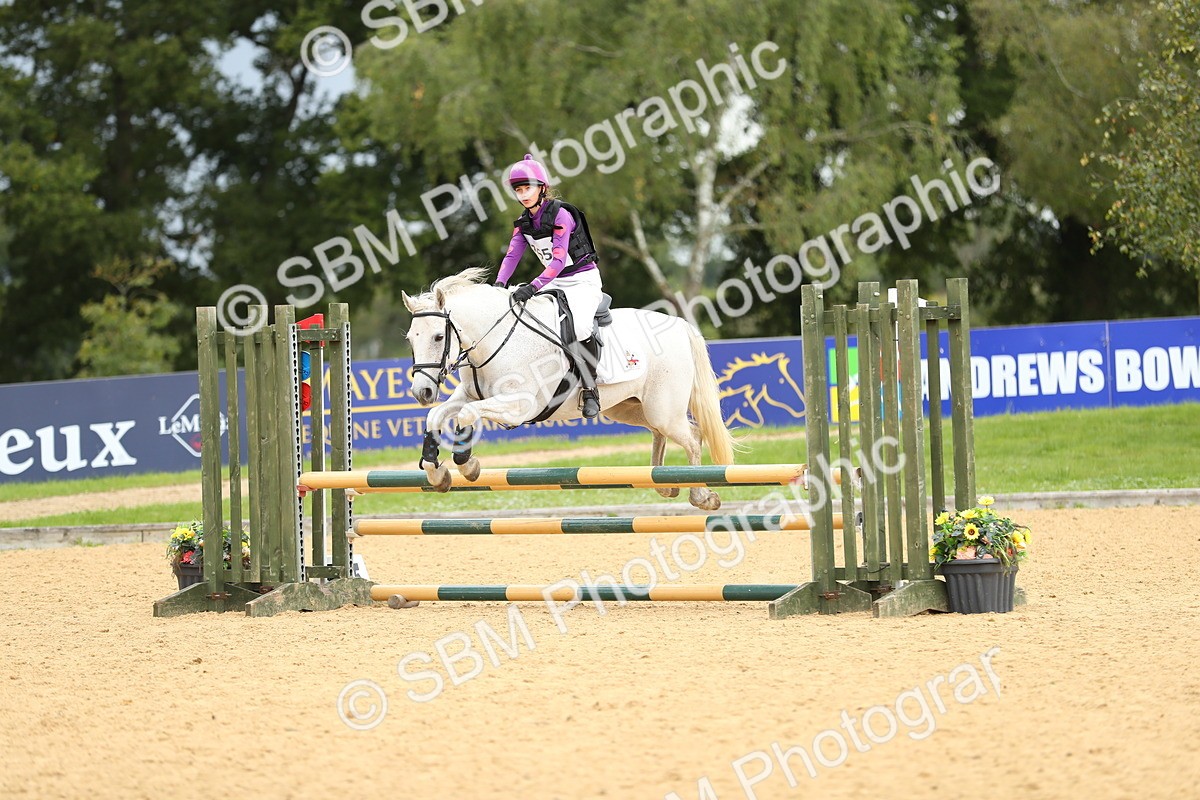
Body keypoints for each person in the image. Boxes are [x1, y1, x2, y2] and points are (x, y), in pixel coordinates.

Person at [495, 153, 603, 419]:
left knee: (579, 327)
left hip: (582, 280)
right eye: (518, 189)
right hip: (553, 281)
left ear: (541, 188)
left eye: (528, 188)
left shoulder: (561, 215)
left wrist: (531, 287)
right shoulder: (523, 224)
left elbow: (557, 261)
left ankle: (590, 389)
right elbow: (512, 257)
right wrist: (498, 286)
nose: (523, 194)